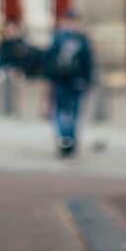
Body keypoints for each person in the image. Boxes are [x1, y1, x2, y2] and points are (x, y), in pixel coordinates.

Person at [44, 10, 95, 158]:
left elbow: (48, 59)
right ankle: (70, 140)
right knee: (74, 112)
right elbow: (88, 61)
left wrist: (50, 79)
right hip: (77, 80)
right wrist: (88, 80)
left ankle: (64, 139)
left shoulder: (58, 38)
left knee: (61, 111)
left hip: (61, 80)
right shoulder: (82, 39)